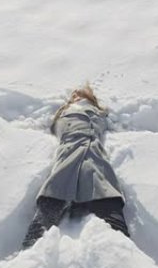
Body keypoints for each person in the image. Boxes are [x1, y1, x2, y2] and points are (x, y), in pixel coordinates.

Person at [22, 83, 130, 248]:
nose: (78, 97)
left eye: (82, 95)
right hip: (72, 141)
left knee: (99, 171)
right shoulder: (66, 111)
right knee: (64, 170)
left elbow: (102, 123)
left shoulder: (99, 112)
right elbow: (58, 127)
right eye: (76, 95)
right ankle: (39, 231)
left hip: (93, 146)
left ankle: (116, 231)